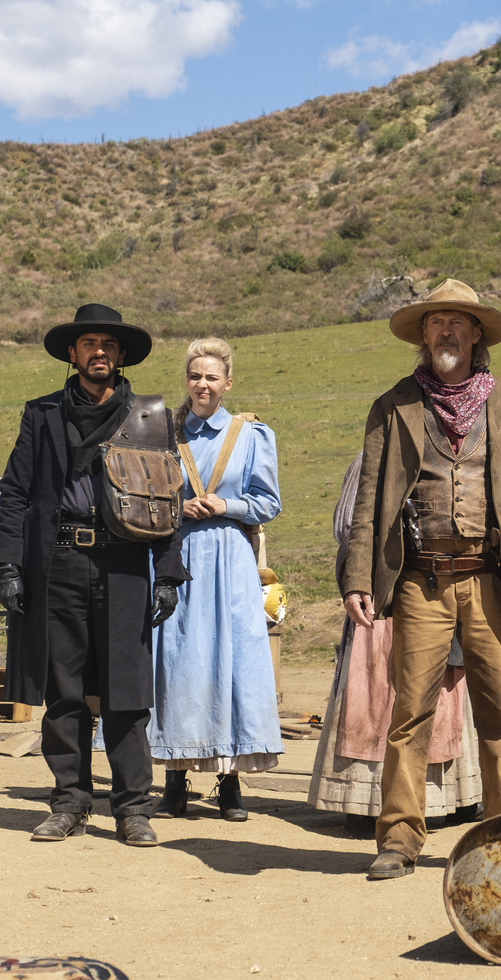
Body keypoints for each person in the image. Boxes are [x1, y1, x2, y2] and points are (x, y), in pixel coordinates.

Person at [341, 278, 501, 880]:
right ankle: (399, 837)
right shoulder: (394, 406)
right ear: (423, 335)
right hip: (420, 579)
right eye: (436, 323)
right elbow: (367, 501)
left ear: (475, 336)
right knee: (408, 713)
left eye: (457, 324)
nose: (445, 332)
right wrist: (358, 576)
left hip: (491, 577)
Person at [0, 303, 188, 848]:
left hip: (124, 564)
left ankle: (132, 808)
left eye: (108, 344)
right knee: (65, 692)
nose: (98, 352)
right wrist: (7, 563)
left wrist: (167, 572)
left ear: (120, 355)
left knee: (126, 691)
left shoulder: (150, 417)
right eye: (88, 344)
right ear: (73, 354)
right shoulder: (42, 414)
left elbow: (170, 497)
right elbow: (16, 492)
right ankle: (70, 802)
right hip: (58, 564)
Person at [308, 452, 484, 831]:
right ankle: (367, 803)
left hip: (440, 589)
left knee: (440, 692)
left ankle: (449, 799)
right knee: (375, 691)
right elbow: (347, 528)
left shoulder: (452, 460)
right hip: (384, 594)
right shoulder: (371, 460)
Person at [148, 339, 284, 824]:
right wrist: (174, 508)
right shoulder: (164, 433)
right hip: (176, 554)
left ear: (227, 384)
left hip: (229, 558)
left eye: (211, 377)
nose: (202, 385)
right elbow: (145, 495)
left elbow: (269, 502)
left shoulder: (251, 435)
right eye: (194, 376)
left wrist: (227, 505)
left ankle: (230, 784)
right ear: (186, 381)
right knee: (177, 662)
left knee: (232, 661)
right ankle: (174, 780)